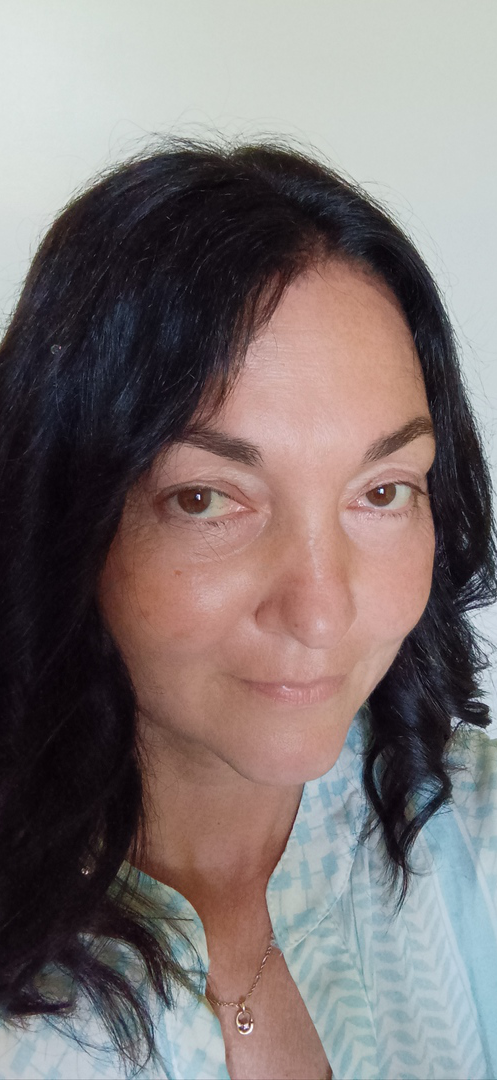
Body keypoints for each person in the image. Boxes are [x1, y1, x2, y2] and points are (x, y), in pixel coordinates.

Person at [0, 140, 495, 1080]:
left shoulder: (470, 830)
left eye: (382, 492)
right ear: (66, 509)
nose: (320, 613)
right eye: (205, 499)